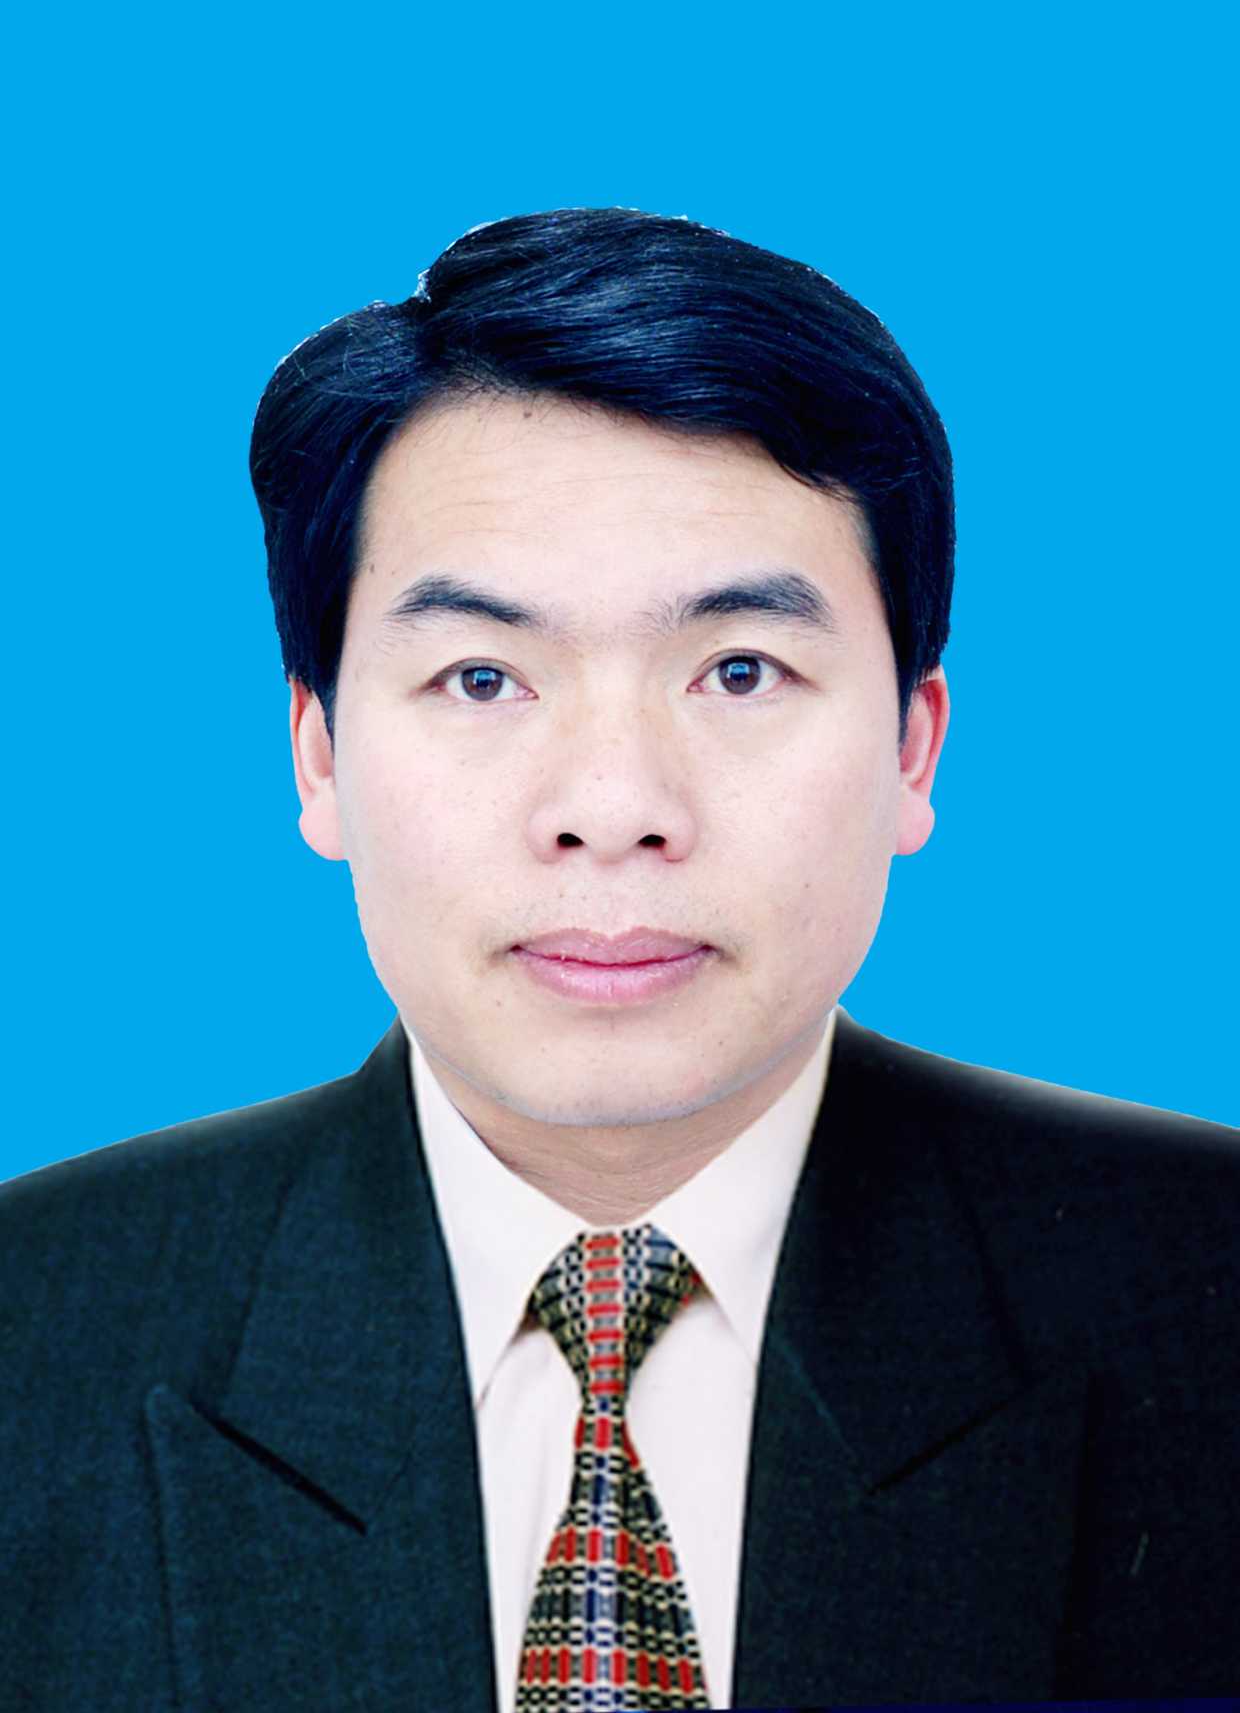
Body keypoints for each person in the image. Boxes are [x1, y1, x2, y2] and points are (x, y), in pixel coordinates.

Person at [2, 207, 1237, 1712]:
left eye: (738, 670)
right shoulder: (28, 1335)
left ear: (915, 748)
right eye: (481, 677)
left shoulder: (1203, 1293)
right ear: (317, 754)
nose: (612, 806)